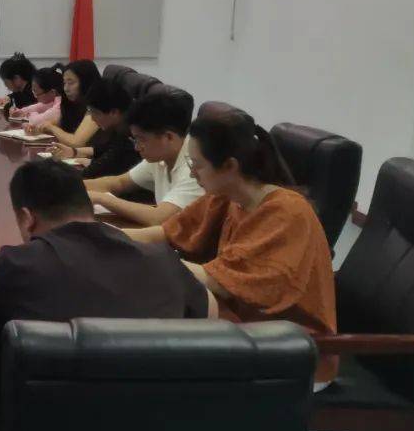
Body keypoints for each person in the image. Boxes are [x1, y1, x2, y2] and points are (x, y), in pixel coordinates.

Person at [124, 112, 337, 383]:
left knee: (153, 360)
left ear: (229, 166)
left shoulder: (286, 213)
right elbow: (166, 232)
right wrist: (103, 235)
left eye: (197, 165)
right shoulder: (228, 196)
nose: (192, 172)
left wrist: (142, 257)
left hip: (292, 352)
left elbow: (221, 282)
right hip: (243, 332)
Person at [0, 159, 212, 338]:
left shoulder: (18, 265)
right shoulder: (163, 260)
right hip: (154, 414)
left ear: (27, 218)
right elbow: (209, 311)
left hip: (45, 416)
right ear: (89, 207)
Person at [83, 90, 204, 226]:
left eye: (141, 139)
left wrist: (102, 199)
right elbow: (120, 183)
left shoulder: (195, 168)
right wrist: (72, 187)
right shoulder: (161, 156)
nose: (136, 147)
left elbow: (159, 218)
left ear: (168, 137)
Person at [51, 79, 141, 179]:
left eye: (95, 113)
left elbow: (87, 174)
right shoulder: (122, 127)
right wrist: (73, 152)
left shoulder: (132, 137)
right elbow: (104, 148)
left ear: (114, 112)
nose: (93, 119)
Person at [34, 59, 101, 143]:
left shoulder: (97, 106)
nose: (66, 89)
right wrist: (37, 129)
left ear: (86, 82)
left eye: (71, 83)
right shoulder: (72, 103)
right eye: (64, 83)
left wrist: (51, 128)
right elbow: (57, 124)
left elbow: (76, 142)